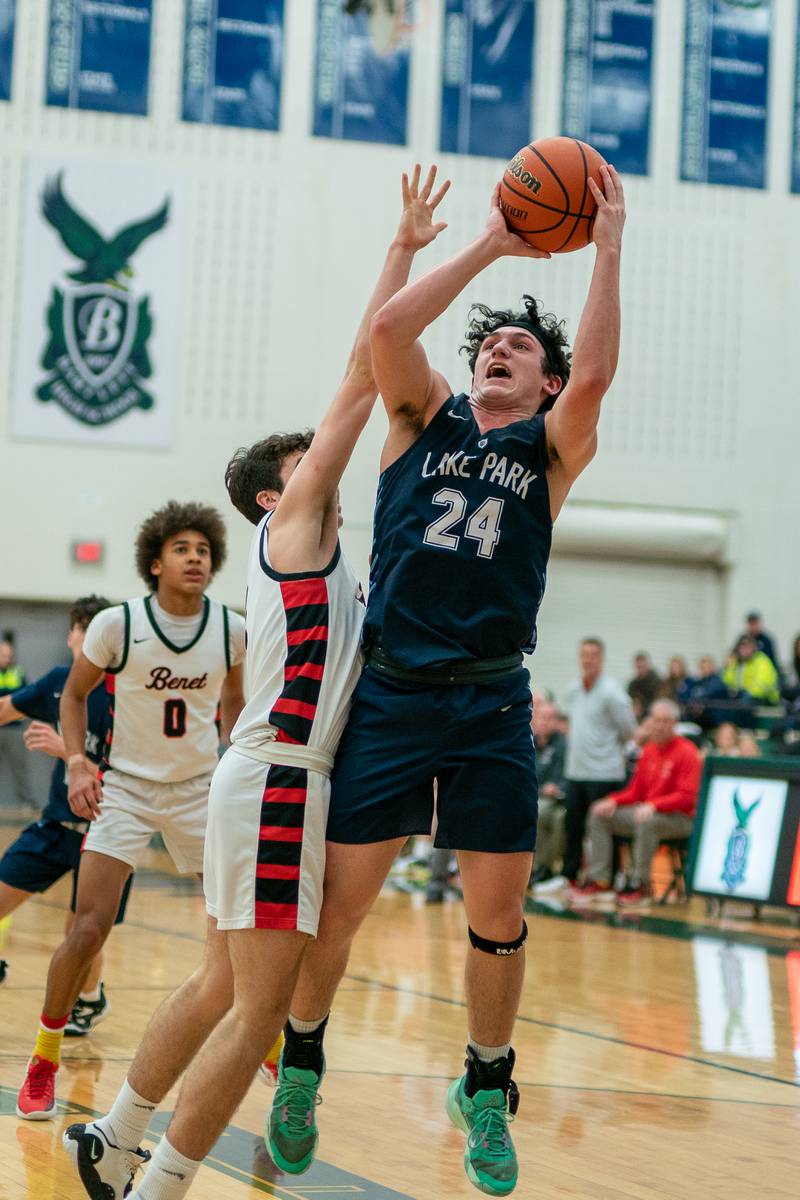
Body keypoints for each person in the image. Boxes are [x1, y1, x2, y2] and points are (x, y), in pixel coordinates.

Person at [63, 164, 450, 1200]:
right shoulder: (294, 521)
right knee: (258, 1008)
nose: (325, 444)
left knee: (219, 982)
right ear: (279, 488)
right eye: (308, 448)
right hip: (281, 775)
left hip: (267, 773)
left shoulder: (306, 545)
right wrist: (409, 249)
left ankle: (114, 1131)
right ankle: (166, 1182)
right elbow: (367, 370)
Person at [260, 165, 625, 1198]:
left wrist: (604, 244)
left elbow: (594, 379)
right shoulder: (422, 417)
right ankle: (302, 1059)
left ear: (544, 382)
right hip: (394, 690)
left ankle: (484, 1081)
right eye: (487, 345)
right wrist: (484, 248)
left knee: (497, 919)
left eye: (519, 348)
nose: (496, 351)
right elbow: (385, 332)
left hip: (490, 699)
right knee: (341, 906)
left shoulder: (551, 450)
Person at [16, 502, 246, 1121]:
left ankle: (266, 1036)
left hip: (199, 791)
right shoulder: (118, 625)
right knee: (87, 928)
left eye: (203, 548)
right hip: (125, 789)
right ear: (155, 562)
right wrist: (76, 763)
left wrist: (237, 766)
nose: (195, 556)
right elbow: (72, 695)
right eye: (182, 548)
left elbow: (238, 707)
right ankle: (43, 1058)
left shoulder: (230, 629)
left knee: (235, 923)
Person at [0, 596, 133, 1019]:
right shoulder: (60, 681)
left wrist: (67, 752)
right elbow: (5, 710)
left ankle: (90, 1001)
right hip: (56, 827)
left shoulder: (127, 696)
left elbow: (131, 783)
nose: (80, 639)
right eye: (81, 630)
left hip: (107, 832)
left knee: (81, 933)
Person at [570, 699, 701, 908]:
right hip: (647, 813)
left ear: (675, 723)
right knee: (599, 814)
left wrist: (655, 805)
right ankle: (600, 880)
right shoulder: (648, 750)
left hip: (681, 819)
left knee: (647, 822)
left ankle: (639, 884)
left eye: (665, 721)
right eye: (656, 720)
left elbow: (688, 796)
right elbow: (635, 791)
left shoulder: (687, 752)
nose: (660, 725)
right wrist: (612, 800)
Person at [562, 638, 636, 887]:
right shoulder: (573, 690)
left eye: (593, 655)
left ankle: (611, 877)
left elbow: (629, 731)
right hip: (576, 771)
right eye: (584, 654)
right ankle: (570, 876)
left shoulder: (613, 693)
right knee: (573, 828)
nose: (588, 660)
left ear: (602, 659)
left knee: (605, 829)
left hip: (605, 773)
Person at [528, 699, 567, 887]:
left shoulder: (563, 745)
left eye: (550, 718)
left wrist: (552, 788)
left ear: (557, 722)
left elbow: (562, 779)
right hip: (531, 795)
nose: (545, 722)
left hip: (555, 799)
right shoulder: (529, 743)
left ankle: (541, 867)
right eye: (542, 717)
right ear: (534, 719)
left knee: (542, 813)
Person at [0, 639, 37, 811]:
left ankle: (26, 802)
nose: (6, 658)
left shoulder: (18, 672)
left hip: (14, 729)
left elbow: (26, 695)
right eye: (2, 655)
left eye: (8, 655)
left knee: (20, 767)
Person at [722, 634, 780, 707]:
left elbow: (762, 685)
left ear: (753, 648)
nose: (744, 650)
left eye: (748, 647)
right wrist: (729, 667)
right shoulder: (737, 663)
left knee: (745, 702)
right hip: (743, 697)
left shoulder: (762, 660)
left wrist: (746, 693)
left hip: (766, 698)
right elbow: (727, 682)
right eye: (742, 646)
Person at [626, 652, 661, 721]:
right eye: (638, 667)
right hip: (636, 717)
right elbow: (627, 700)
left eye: (642, 666)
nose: (640, 669)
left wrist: (643, 709)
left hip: (653, 717)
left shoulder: (657, 682)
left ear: (648, 665)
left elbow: (659, 702)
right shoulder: (633, 684)